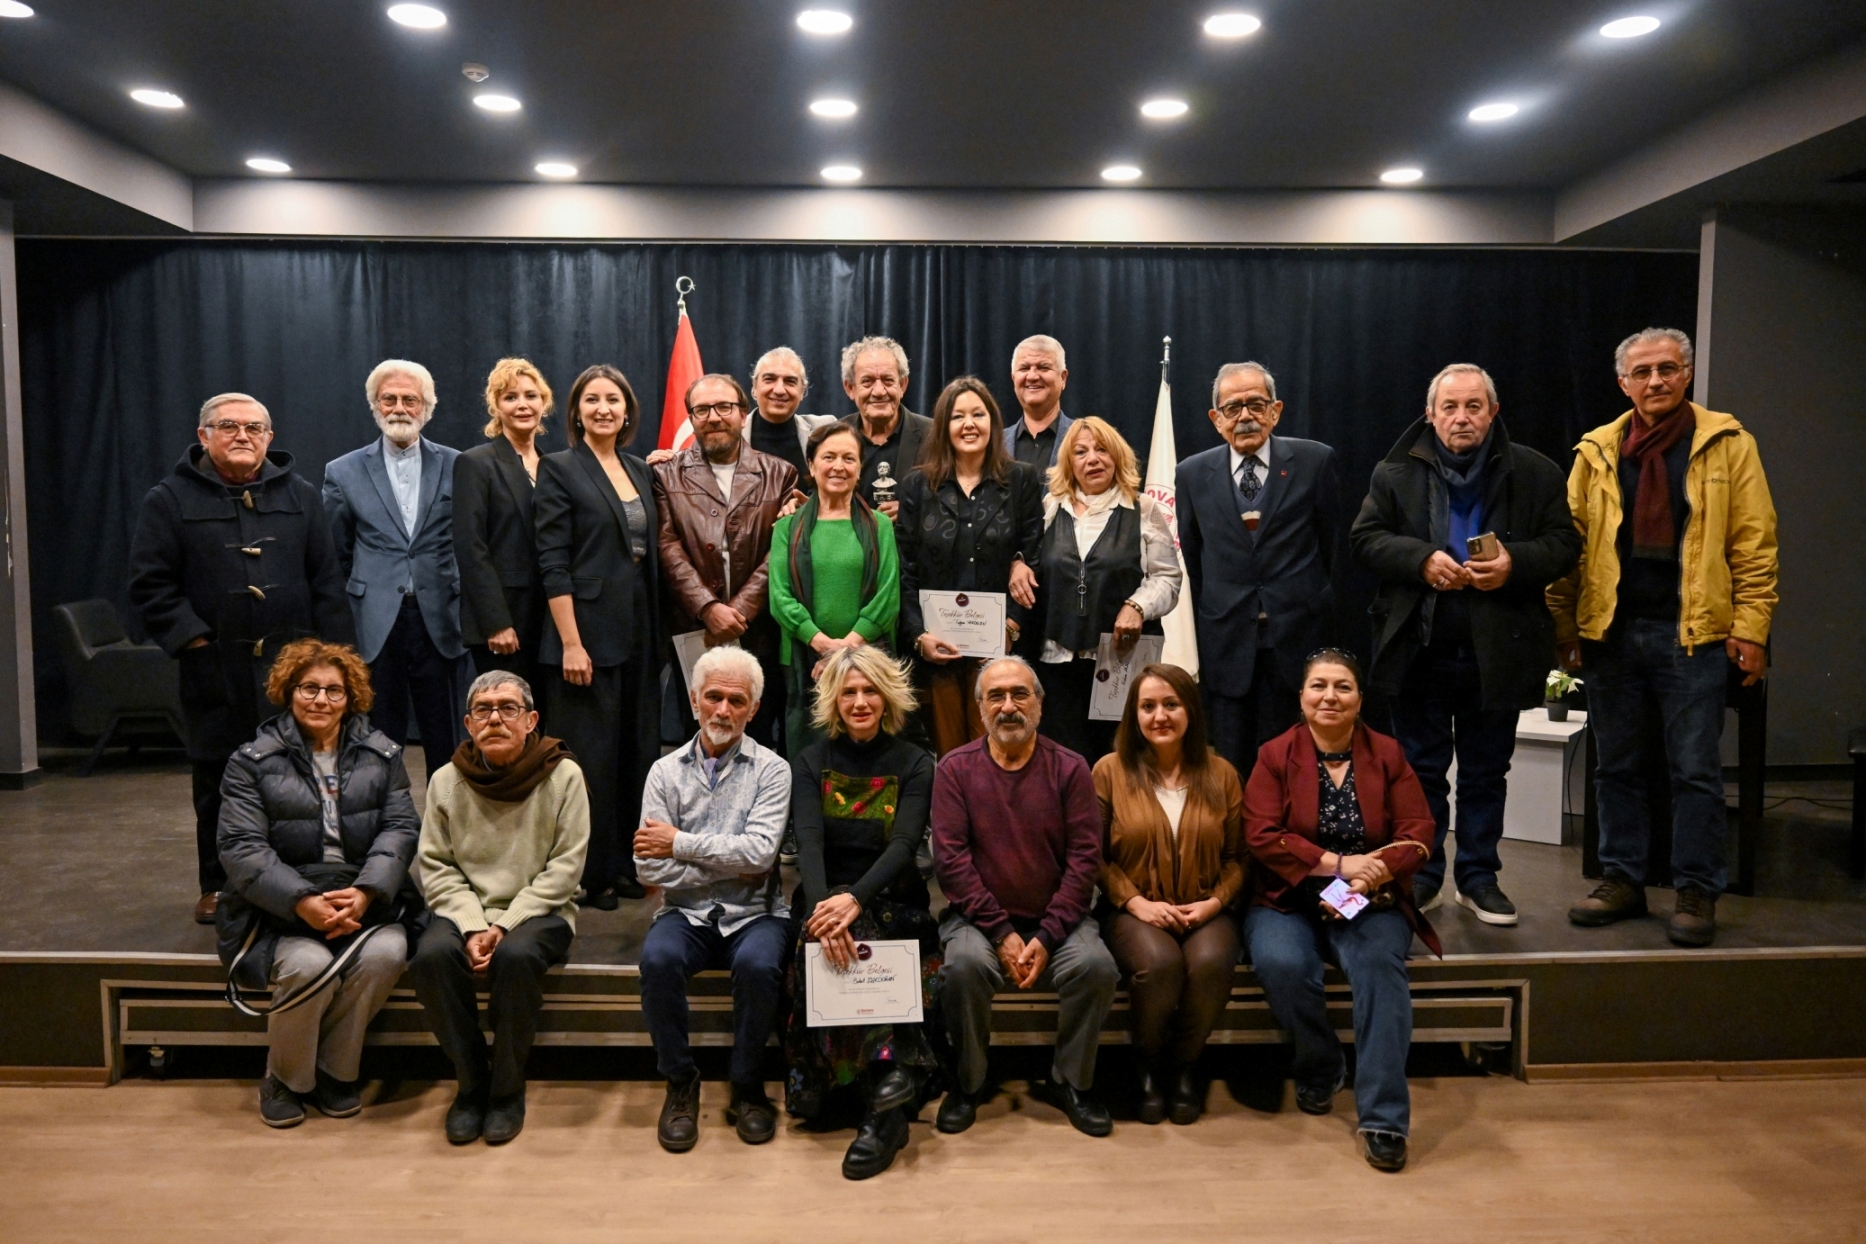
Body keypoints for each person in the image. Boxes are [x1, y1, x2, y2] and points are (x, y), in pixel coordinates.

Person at [1552, 328, 1778, 947]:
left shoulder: (1727, 444)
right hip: (1611, 632)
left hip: (1693, 634)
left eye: (1668, 369)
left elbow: (1755, 544)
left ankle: (1696, 888)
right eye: (1643, 371)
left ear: (1687, 374)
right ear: (1623, 383)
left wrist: (1751, 628)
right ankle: (1622, 879)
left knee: (1695, 771)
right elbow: (1570, 545)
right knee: (1617, 768)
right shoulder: (1597, 450)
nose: (1656, 380)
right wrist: (1565, 625)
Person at [1350, 364, 1581, 924]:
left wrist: (1513, 564)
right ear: (1430, 415)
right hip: (1420, 647)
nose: (1461, 417)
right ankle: (1425, 873)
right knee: (1421, 773)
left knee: (1485, 772)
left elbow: (1564, 544)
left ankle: (1479, 878)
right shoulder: (1394, 472)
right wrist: (1420, 560)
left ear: (1493, 412)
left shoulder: (1535, 471)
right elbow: (1365, 539)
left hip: (1497, 651)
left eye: (1473, 406)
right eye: (1449, 407)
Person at [129, 392, 352, 924]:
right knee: (217, 778)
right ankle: (219, 882)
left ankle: (298, 875)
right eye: (228, 426)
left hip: (295, 671)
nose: (242, 436)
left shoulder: (300, 495)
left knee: (300, 775)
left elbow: (326, 581)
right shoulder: (168, 499)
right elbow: (151, 585)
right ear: (203, 436)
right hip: (215, 669)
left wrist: (336, 661)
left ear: (269, 438)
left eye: (254, 428)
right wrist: (196, 643)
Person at [1241, 649, 1439, 1173]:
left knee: (1378, 970)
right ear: (1302, 697)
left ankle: (1384, 1119)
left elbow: (1419, 832)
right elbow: (1261, 834)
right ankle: (1322, 1063)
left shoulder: (1387, 754)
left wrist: (1372, 872)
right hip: (1288, 898)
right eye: (1319, 686)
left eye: (1343, 687)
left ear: (1359, 699)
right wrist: (1337, 863)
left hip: (1370, 899)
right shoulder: (1274, 755)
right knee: (1282, 964)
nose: (1330, 696)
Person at [215, 640, 420, 1129]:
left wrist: (367, 892)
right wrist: (301, 900)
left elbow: (400, 829)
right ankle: (285, 1079)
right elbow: (242, 847)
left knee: (387, 953)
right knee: (307, 964)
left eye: (334, 690)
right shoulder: (250, 761)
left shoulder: (383, 755)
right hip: (276, 906)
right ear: (289, 692)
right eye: (309, 688)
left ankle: (335, 1071)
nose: (321, 700)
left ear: (351, 698)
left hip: (362, 897)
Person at [932, 656, 1118, 1138]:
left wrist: (1049, 935)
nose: (1008, 706)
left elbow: (1084, 862)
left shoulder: (1071, 768)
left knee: (1096, 967)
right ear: (979, 708)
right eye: (995, 696)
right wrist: (1001, 932)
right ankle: (969, 1083)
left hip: (1058, 922)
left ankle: (1070, 1081)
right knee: (962, 968)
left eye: (1020, 694)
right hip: (978, 923)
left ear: (1040, 703)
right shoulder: (954, 770)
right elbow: (951, 863)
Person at [411, 670, 588, 1146]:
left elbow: (565, 869)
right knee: (430, 956)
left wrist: (505, 925)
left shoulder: (563, 775)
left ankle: (507, 1090)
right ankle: (471, 1083)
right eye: (483, 710)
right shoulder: (446, 780)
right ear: (468, 724)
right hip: (465, 910)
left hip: (542, 911)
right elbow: (437, 866)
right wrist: (473, 926)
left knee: (516, 956)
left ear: (531, 720)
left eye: (508, 708)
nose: (495, 719)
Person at [784, 646, 939, 1180]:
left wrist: (854, 900)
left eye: (870, 690)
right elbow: (808, 842)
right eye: (848, 691)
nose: (859, 701)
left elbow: (904, 845)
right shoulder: (810, 761)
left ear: (887, 697)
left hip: (893, 898)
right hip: (825, 895)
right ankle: (888, 1091)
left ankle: (877, 1099)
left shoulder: (915, 762)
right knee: (823, 936)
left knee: (866, 929)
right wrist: (826, 908)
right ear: (833, 700)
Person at [633, 646, 792, 1153]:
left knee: (760, 965)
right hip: (684, 911)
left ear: (754, 709)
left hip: (757, 913)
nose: (723, 710)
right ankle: (681, 1082)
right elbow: (647, 868)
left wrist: (678, 842)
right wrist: (731, 861)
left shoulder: (773, 771)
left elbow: (760, 856)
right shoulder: (664, 772)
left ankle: (747, 1086)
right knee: (658, 960)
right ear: (694, 699)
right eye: (714, 697)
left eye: (736, 701)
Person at [534, 364, 663, 909]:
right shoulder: (559, 468)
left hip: (639, 631)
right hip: (583, 636)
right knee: (591, 760)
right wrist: (570, 642)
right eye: (592, 400)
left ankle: (628, 865)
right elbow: (552, 561)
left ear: (628, 411)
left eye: (613, 399)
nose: (604, 408)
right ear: (577, 411)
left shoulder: (639, 468)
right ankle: (592, 873)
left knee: (637, 753)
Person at [1093, 663, 1245, 1126]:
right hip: (1132, 909)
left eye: (1171, 704)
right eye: (1148, 706)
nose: (1160, 715)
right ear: (1133, 714)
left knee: (1211, 962)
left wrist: (1214, 903)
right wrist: (1135, 902)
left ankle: (1184, 1066)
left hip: (1206, 905)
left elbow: (1239, 858)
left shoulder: (1222, 773)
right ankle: (1146, 1064)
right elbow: (1092, 856)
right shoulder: (1109, 771)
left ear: (1191, 711)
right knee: (1159, 965)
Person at [1176, 361, 1340, 776]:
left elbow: (1332, 546)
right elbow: (1195, 558)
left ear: (1276, 410)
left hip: (1298, 639)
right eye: (1232, 407)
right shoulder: (1191, 473)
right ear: (1216, 419)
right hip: (1227, 642)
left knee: (1296, 766)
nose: (1245, 416)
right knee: (1232, 768)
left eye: (1256, 404)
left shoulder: (1314, 461)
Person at [322, 359, 467, 762]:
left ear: (427, 408)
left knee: (447, 736)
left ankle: (445, 806)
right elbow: (336, 552)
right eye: (389, 399)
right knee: (377, 739)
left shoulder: (460, 465)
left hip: (441, 619)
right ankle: (382, 806)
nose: (399, 408)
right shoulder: (342, 471)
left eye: (410, 399)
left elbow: (470, 542)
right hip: (374, 622)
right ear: (374, 405)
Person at [897, 376, 1045, 754]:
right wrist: (918, 636)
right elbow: (905, 568)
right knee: (951, 754)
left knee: (999, 751)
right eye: (957, 416)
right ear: (943, 425)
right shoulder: (917, 485)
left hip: (999, 651)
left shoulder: (1021, 479)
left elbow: (1035, 556)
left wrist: (1011, 628)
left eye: (978, 414)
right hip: (938, 651)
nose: (969, 424)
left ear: (993, 422)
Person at [654, 372, 801, 752]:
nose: (714, 417)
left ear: (742, 412)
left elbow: (781, 550)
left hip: (760, 633)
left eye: (724, 407)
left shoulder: (781, 474)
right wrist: (707, 607)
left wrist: (740, 609)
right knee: (700, 739)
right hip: (694, 632)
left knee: (760, 738)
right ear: (691, 418)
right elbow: (667, 547)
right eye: (702, 410)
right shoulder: (665, 475)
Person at [1029, 416, 1181, 763]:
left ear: (1117, 456)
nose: (1092, 459)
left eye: (1101, 450)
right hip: (1058, 663)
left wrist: (1137, 606)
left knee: (1124, 760)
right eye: (1080, 452)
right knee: (1067, 762)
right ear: (1069, 463)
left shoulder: (1143, 508)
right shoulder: (1050, 507)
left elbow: (1168, 578)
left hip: (1122, 662)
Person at [767, 422, 901, 756]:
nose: (839, 466)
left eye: (848, 458)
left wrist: (843, 653)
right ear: (812, 466)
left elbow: (888, 597)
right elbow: (779, 598)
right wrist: (823, 645)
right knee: (810, 756)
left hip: (869, 662)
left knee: (867, 756)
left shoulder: (881, 526)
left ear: (860, 468)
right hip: (805, 661)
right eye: (829, 457)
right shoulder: (786, 528)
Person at [453, 357, 553, 694]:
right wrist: (496, 622)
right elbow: (471, 549)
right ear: (496, 407)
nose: (522, 404)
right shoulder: (475, 463)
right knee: (506, 712)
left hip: (550, 622)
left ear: (544, 403)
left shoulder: (555, 466)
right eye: (510, 397)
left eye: (531, 395)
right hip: (504, 624)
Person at [837, 335, 931, 519]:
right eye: (867, 381)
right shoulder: (833, 438)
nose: (879, 391)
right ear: (850, 388)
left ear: (902, 385)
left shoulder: (934, 436)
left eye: (888, 380)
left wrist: (913, 510)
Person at [744, 346, 838, 487]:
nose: (779, 390)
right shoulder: (733, 433)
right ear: (754, 387)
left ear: (802, 391)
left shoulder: (825, 429)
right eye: (769, 379)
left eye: (790, 381)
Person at [1002, 334, 1074, 473]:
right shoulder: (994, 445)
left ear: (1063, 378)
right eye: (1024, 368)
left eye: (1043, 367)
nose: (1032, 376)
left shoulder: (1086, 440)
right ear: (1013, 379)